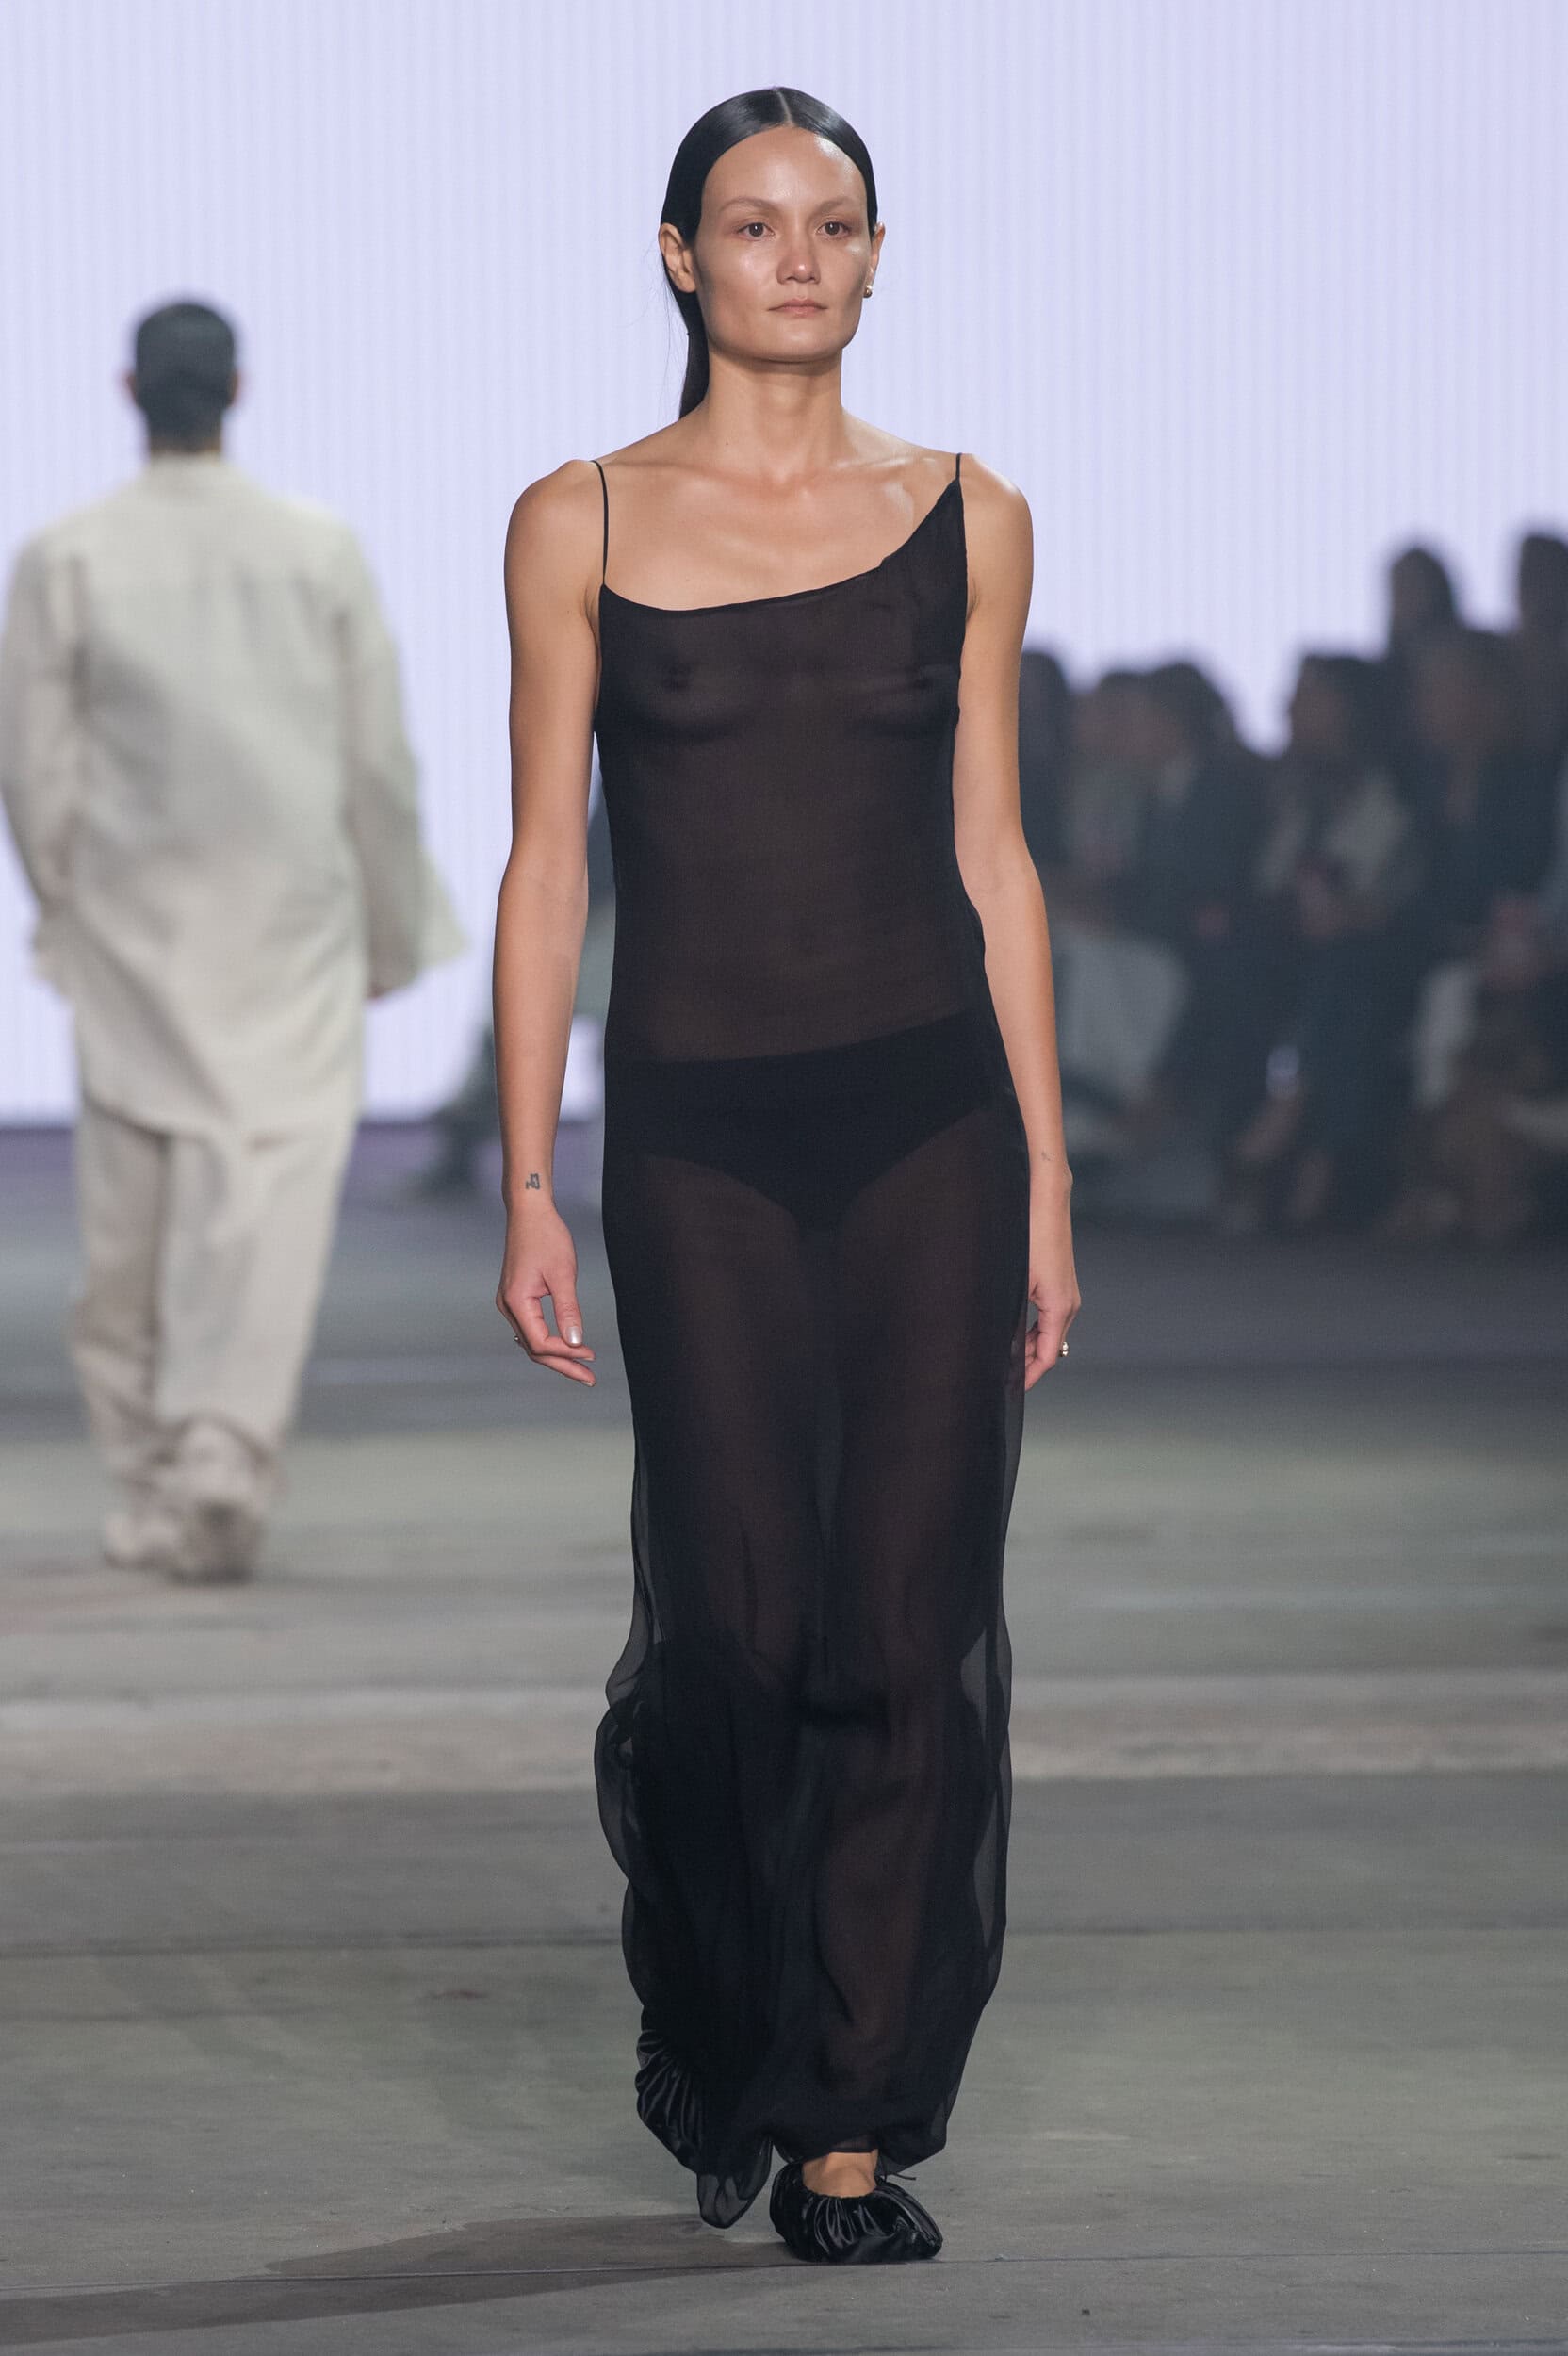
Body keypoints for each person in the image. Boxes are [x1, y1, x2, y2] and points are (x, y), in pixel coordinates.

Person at [490, 89, 1078, 2265]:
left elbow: (992, 854)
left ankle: (846, 2111)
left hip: (930, 1121)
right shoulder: (580, 517)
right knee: (736, 1629)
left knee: (907, 1622)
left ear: (875, 252)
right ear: (680, 256)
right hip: (699, 1139)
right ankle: (728, 2017)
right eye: (752, 224)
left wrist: (1047, 1176)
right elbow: (548, 861)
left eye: (832, 222)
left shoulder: (969, 513)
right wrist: (529, 1176)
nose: (797, 257)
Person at [0, 299, 462, 1580]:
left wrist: (64, 904)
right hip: (289, 924)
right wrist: (392, 927)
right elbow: (377, 761)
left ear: (127, 391)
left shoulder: (68, 556)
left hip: (135, 919)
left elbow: (32, 766)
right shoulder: (317, 551)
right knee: (264, 1210)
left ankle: (164, 1477)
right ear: (240, 391)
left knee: (132, 1224)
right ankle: (218, 1457)